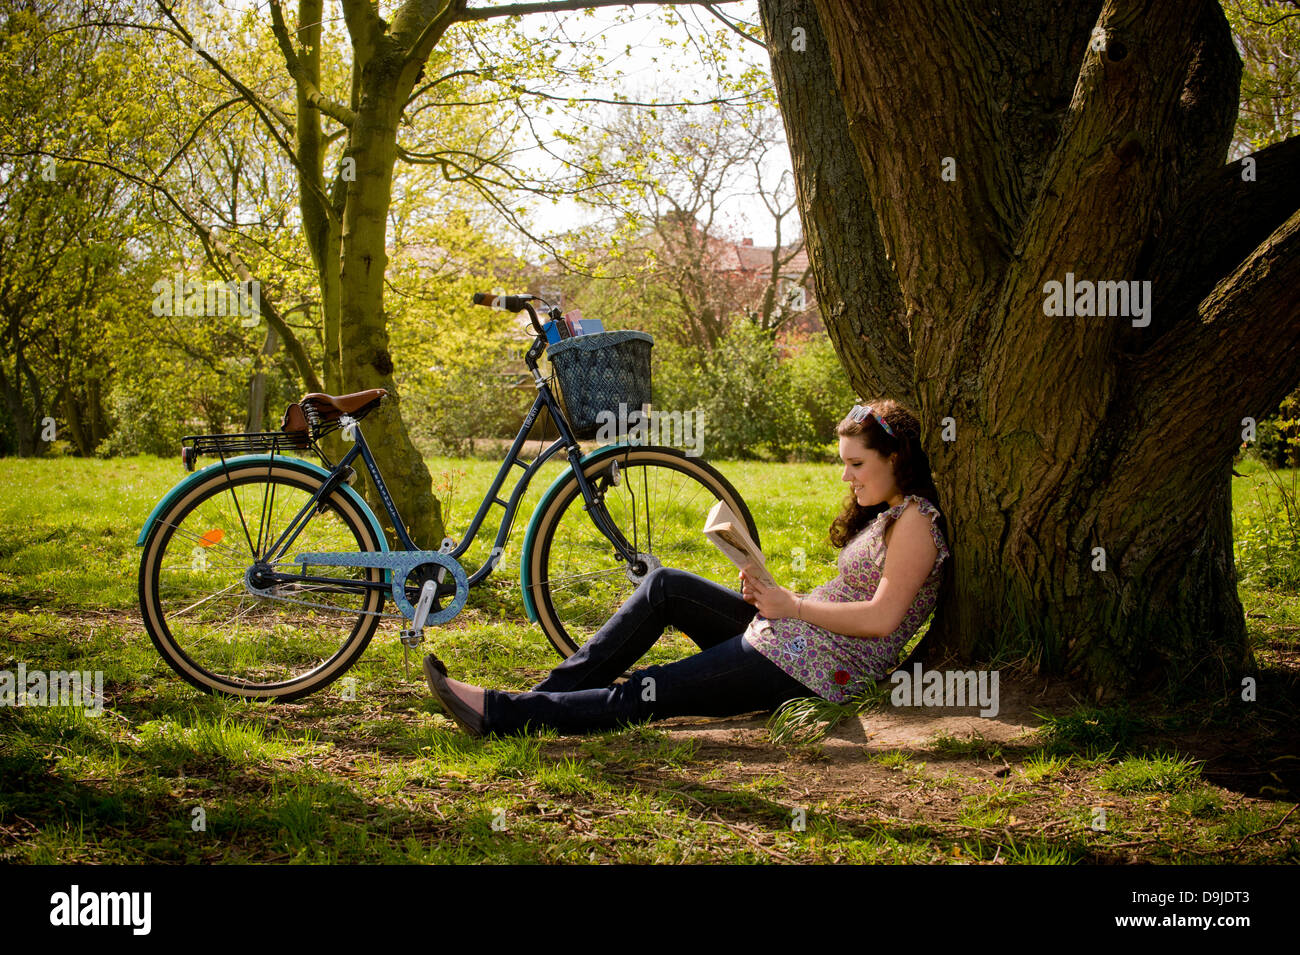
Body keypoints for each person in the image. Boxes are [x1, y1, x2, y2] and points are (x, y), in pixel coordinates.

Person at [423, 398, 951, 737]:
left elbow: (883, 618)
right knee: (665, 586)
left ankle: (502, 714)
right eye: (844, 465)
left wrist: (791, 605)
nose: (847, 478)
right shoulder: (892, 514)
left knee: (651, 690)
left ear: (896, 457)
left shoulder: (917, 524)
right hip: (797, 636)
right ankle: (543, 699)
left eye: (856, 464)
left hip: (815, 670)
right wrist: (774, 591)